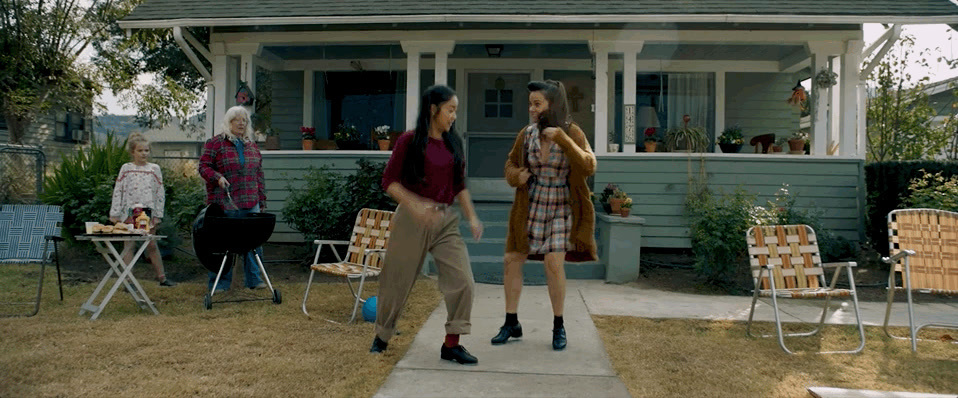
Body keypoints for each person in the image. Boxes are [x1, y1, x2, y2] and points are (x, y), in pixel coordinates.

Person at [370, 85, 483, 365]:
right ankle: (381, 337)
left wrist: (471, 217)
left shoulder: (453, 144)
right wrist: (415, 204)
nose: (454, 116)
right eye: (451, 109)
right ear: (433, 109)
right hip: (411, 217)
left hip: (444, 220)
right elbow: (389, 182)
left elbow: (459, 186)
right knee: (396, 282)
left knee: (464, 281)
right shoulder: (409, 141)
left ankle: (452, 344)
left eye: (455, 110)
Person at [492, 80, 597, 351]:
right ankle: (511, 322)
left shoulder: (572, 132)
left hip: (563, 203)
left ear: (554, 105)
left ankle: (558, 325)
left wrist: (562, 139)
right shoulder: (526, 134)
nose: (532, 109)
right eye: (530, 104)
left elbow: (588, 166)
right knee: (511, 259)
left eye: (537, 103)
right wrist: (517, 175)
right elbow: (510, 164)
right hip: (532, 203)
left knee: (553, 262)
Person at [198, 105, 267, 292]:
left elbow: (258, 175)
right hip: (225, 203)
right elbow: (203, 167)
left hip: (250, 201)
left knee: (253, 243)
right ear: (229, 122)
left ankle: (254, 280)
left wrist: (261, 201)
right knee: (223, 245)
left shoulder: (252, 146)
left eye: (244, 120)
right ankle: (220, 284)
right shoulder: (216, 143)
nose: (241, 123)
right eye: (237, 120)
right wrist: (217, 177)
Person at [109, 132, 175, 286]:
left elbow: (160, 193)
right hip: (129, 211)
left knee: (151, 244)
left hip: (148, 212)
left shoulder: (154, 169)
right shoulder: (126, 169)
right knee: (129, 245)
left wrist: (157, 214)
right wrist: (115, 213)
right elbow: (118, 191)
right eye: (140, 150)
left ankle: (162, 278)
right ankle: (128, 280)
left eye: (146, 150)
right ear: (133, 152)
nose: (144, 153)